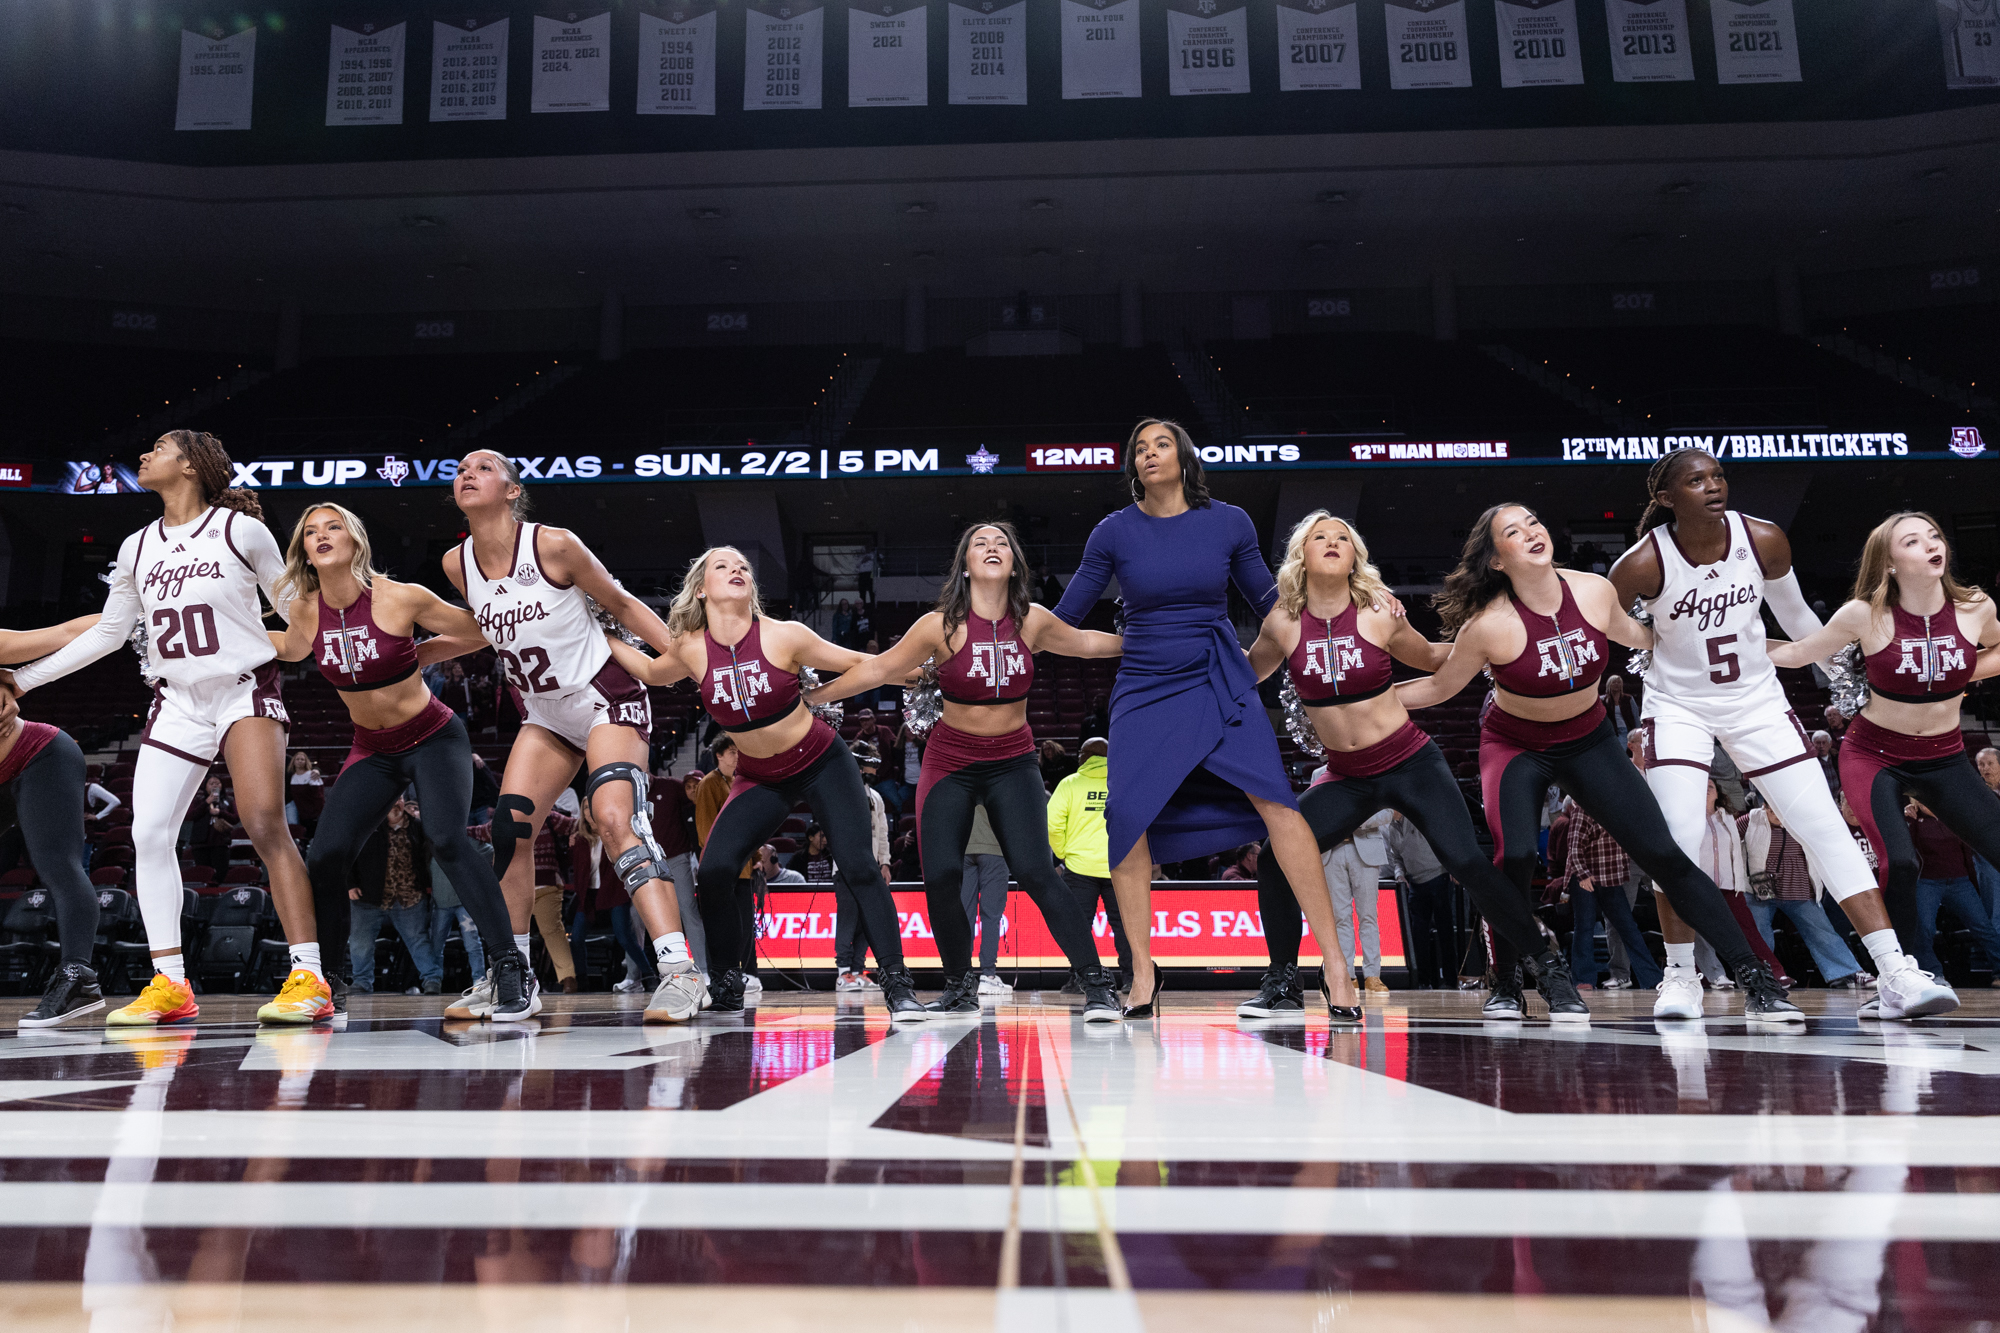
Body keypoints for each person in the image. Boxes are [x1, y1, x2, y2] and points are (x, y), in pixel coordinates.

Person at [1400, 501, 1799, 1021]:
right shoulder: (1488, 625)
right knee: (1515, 858)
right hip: (1515, 744)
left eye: (1535, 523)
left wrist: (1732, 635)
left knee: (1666, 854)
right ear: (1497, 560)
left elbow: (1643, 637)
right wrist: (1359, 704)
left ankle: (1756, 979)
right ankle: (1506, 980)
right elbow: (1438, 686)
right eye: (1514, 532)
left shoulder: (1593, 591)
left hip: (1588, 740)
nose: (1532, 533)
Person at [0, 430, 327, 1027]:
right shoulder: (136, 545)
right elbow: (108, 633)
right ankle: (171, 983)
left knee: (262, 823)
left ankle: (309, 976)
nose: (143, 455)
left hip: (241, 690)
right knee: (149, 836)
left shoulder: (241, 531)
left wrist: (299, 633)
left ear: (191, 465)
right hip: (175, 701)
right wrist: (23, 681)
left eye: (158, 447)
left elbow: (293, 609)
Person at [1051, 420, 1367, 1018]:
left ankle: (1334, 964)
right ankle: (1142, 972)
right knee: (1126, 815)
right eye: (1138, 448)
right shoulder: (1112, 532)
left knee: (1277, 803)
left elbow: (1274, 607)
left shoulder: (1229, 521)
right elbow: (1064, 617)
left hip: (1218, 675)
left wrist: (1356, 603)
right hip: (1143, 683)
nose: (1148, 454)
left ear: (1184, 456)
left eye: (1160, 444)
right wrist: (1000, 621)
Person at [1606, 449, 1932, 1019]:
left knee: (1824, 829)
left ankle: (1896, 971)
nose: (1713, 486)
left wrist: (1849, 683)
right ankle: (1680, 977)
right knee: (1680, 837)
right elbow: (1622, 636)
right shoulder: (1639, 565)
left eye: (1718, 476)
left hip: (1756, 701)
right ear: (1665, 499)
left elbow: (1801, 620)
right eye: (1696, 480)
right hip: (1678, 707)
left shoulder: (1763, 539)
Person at [1244, 509, 1590, 1022]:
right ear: (1302, 555)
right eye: (1320, 536)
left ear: (1356, 555)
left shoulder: (1381, 612)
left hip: (1410, 762)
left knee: (1468, 863)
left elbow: (1432, 658)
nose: (1333, 541)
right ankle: (1282, 981)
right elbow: (1242, 675)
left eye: (1343, 536)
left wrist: (1507, 640)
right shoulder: (1281, 623)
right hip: (1347, 776)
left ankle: (1549, 969)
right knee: (1276, 858)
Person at [805, 521, 1123, 1019]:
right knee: (942, 875)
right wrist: (813, 699)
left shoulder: (1032, 620)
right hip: (951, 758)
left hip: (1013, 760)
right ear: (965, 565)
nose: (992, 548)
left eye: (1002, 544)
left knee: (1038, 871)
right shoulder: (939, 625)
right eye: (981, 543)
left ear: (1014, 563)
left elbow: (1085, 643)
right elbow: (878, 669)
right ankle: (958, 984)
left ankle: (1096, 984)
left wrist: (1145, 641)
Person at [607, 546, 926, 1018]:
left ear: (751, 587)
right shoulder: (693, 648)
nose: (737, 569)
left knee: (858, 866)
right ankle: (727, 982)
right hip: (759, 776)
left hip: (821, 761)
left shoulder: (784, 635)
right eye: (723, 565)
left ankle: (898, 985)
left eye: (743, 567)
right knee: (714, 872)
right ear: (701, 588)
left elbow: (863, 663)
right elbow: (653, 671)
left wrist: (923, 675)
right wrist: (601, 634)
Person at [445, 449, 704, 1026]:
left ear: (513, 491)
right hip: (544, 713)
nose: (468, 473)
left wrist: (685, 657)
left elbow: (620, 602)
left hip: (605, 696)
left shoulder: (553, 545)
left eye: (484, 468)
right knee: (510, 831)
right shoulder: (456, 563)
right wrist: (404, 657)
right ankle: (510, 975)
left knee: (615, 819)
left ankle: (681, 972)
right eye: (462, 468)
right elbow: (479, 632)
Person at [268, 503, 515, 1020]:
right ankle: (324, 982)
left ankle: (509, 965)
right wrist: (216, 637)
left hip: (432, 737)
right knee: (326, 855)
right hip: (373, 749)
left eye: (333, 526)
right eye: (310, 531)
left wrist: (423, 653)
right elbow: (290, 650)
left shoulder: (400, 597)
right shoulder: (305, 609)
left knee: (447, 839)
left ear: (355, 540)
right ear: (304, 551)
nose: (321, 536)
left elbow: (479, 631)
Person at [1765, 509, 2000, 1016]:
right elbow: (1800, 653)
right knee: (1901, 860)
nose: (1931, 545)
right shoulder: (1862, 614)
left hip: (1944, 756)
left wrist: (1957, 674)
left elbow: (1998, 648)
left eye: (1934, 536)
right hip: (1875, 755)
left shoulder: (1975, 606)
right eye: (1912, 541)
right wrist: (1719, 643)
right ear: (1889, 564)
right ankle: (1904, 978)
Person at [0, 649, 114, 1025]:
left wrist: (125, 610)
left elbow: (64, 636)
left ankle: (77, 976)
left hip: (40, 754)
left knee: (58, 865)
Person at [1741, 798, 1869, 989]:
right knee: (1759, 930)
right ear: (1764, 808)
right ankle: (1765, 975)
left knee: (1822, 931)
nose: (1777, 816)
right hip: (1761, 888)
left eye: (1780, 811)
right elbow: (1728, 841)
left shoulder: (1805, 819)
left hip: (1798, 885)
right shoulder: (1751, 819)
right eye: (1771, 811)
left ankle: (1848, 972)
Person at [1049, 735, 1132, 987]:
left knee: (1078, 927)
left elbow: (1052, 824)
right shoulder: (1123, 783)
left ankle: (1080, 980)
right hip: (1119, 866)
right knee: (1126, 927)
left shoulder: (1069, 784)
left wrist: (1063, 853)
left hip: (1079, 867)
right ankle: (1132, 980)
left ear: (1083, 758)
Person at [1562, 794, 1665, 991]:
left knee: (1628, 927)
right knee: (1584, 927)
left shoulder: (1619, 812)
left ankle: (1652, 978)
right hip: (1585, 877)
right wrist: (1583, 875)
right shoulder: (1584, 808)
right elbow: (1574, 848)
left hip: (1610, 878)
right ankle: (1583, 979)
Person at [346, 796, 441, 995]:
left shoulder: (418, 827)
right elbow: (349, 854)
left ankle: (432, 980)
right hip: (368, 894)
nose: (395, 804)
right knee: (360, 941)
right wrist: (351, 884)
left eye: (399, 800)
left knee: (418, 940)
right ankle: (362, 982)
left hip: (409, 895)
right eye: (391, 800)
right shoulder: (367, 825)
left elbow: (429, 857)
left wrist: (428, 885)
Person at [694, 738, 763, 992]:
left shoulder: (739, 782)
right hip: (721, 868)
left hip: (742, 867)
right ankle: (720, 974)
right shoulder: (708, 784)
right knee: (721, 925)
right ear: (719, 756)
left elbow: (748, 827)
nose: (737, 757)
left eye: (739, 752)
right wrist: (721, 857)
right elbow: (704, 831)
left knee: (745, 923)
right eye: (732, 752)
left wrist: (755, 858)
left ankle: (746, 973)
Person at [1903, 799, 2000, 978]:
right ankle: (1933, 973)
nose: (1923, 802)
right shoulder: (1914, 820)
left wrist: (1973, 883)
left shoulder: (1952, 816)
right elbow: (1908, 850)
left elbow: (1967, 854)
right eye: (1917, 798)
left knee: (1983, 926)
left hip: (1960, 881)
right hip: (1927, 881)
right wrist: (1910, 819)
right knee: (1924, 928)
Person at [1321, 808, 1393, 993]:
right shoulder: (1319, 776)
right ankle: (1346, 975)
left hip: (1366, 846)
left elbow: (1387, 812)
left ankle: (1373, 975)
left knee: (1368, 916)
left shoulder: (1373, 777)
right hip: (1332, 849)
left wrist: (1356, 818)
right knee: (1340, 917)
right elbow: (1317, 809)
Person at [1386, 812, 1457, 991]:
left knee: (1445, 932)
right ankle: (1423, 981)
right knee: (1418, 937)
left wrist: (1453, 867)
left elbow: (1443, 839)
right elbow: (1396, 858)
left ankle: (1450, 980)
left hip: (1438, 877)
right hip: (1415, 884)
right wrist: (1399, 874)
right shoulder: (1391, 828)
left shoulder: (1418, 817)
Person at [961, 807, 1011, 993]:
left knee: (965, 915)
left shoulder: (961, 778)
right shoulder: (1000, 779)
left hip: (965, 849)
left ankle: (962, 975)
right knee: (991, 915)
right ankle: (988, 975)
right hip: (993, 849)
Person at [284, 751, 323, 831]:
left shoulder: (287, 759)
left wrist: (317, 770)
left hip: (289, 801)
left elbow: (307, 768)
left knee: (293, 827)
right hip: (270, 802)